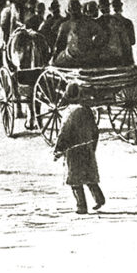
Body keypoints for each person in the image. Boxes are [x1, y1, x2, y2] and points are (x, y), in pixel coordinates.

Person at [53, 86, 105, 215]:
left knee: (75, 181)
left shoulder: (69, 112)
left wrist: (58, 149)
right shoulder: (87, 110)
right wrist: (92, 147)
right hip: (87, 149)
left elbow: (64, 133)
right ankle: (99, 199)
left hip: (74, 152)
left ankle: (81, 206)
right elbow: (95, 131)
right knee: (89, 177)